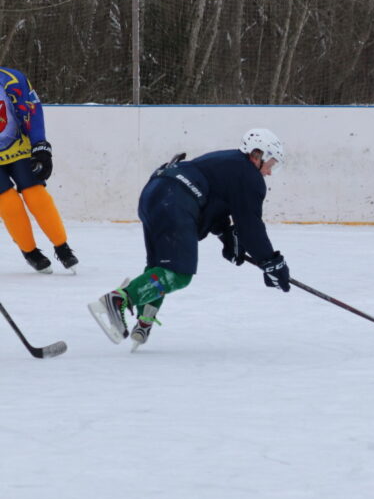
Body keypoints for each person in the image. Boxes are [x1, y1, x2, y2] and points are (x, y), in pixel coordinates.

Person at [88, 128, 291, 350]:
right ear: (257, 154)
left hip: (156, 192)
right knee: (180, 273)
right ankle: (118, 300)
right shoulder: (248, 175)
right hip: (176, 199)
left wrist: (226, 235)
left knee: (160, 267)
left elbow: (214, 201)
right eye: (270, 164)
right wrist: (270, 261)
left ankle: (145, 320)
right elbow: (250, 225)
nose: (269, 172)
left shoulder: (229, 163)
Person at [0, 66, 78, 273]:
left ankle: (62, 247)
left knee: (34, 192)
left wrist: (40, 146)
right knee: (7, 201)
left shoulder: (11, 79)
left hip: (19, 148)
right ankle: (30, 252)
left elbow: (33, 111)